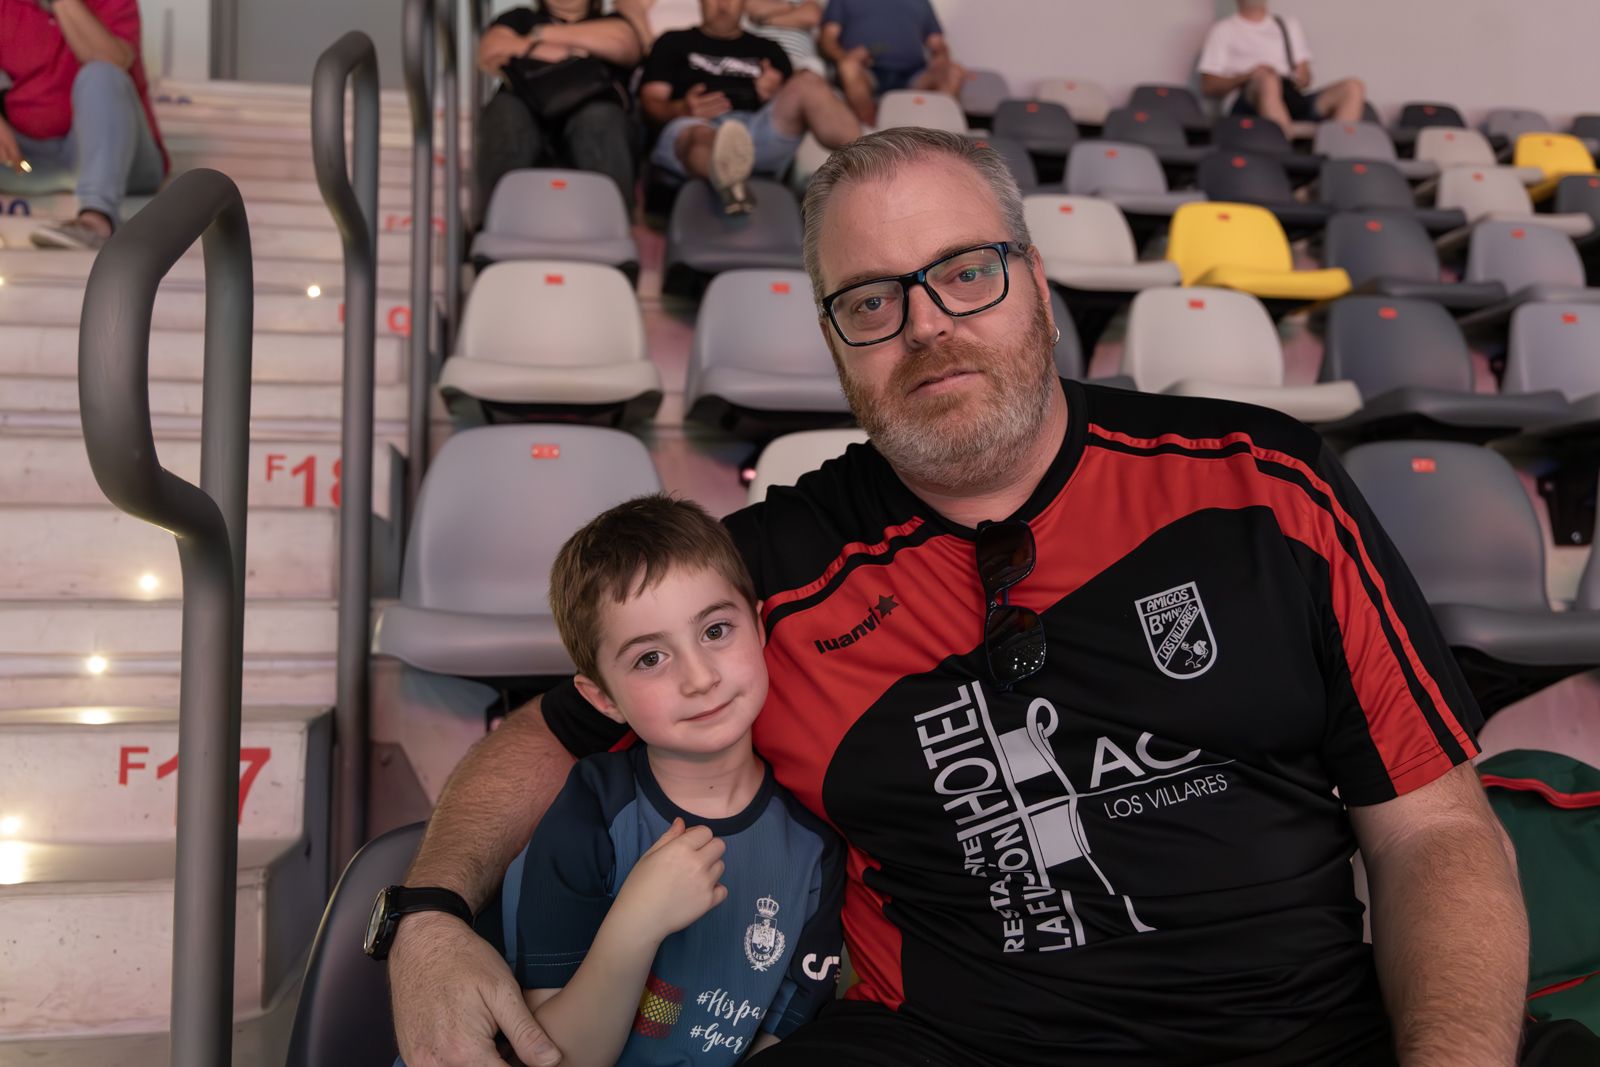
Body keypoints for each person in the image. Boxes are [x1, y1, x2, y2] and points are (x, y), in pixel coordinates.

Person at [384, 127, 1593, 1067]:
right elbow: (543, 733)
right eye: (871, 301)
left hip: (1302, 1035)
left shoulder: (1257, 481)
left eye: (965, 273)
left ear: (1035, 280)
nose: (927, 329)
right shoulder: (760, 578)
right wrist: (431, 912)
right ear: (834, 339)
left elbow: (1434, 830)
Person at [400, 494, 845, 1067]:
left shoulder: (815, 846)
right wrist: (637, 923)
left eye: (715, 631)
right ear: (602, 698)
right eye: (650, 659)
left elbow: (778, 1037)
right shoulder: (590, 812)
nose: (700, 677)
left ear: (759, 628)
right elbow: (557, 1057)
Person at [638, 0, 859, 215]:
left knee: (809, 82)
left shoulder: (769, 49)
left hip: (756, 130)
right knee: (699, 136)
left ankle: (867, 158)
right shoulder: (672, 42)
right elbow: (651, 101)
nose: (723, 4)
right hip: (694, 126)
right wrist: (681, 109)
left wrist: (777, 91)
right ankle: (732, 186)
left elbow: (790, 102)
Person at [0, 0, 168, 250]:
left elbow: (113, 60)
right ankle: (79, 180)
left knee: (101, 73)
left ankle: (96, 219)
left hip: (119, 156)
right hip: (27, 163)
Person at [474, 0, 646, 210]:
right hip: (527, 114)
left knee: (600, 119)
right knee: (505, 113)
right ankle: (498, 219)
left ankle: (610, 221)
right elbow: (490, 50)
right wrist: (577, 51)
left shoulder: (612, 21)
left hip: (595, 116)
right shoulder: (520, 17)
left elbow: (626, 47)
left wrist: (537, 38)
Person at [1198, 0, 1366, 135]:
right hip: (1249, 99)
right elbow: (1208, 85)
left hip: (1288, 95)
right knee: (1267, 80)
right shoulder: (1224, 30)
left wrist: (1302, 74)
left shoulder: (1286, 25)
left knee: (1353, 87)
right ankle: (1286, 148)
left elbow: (1305, 78)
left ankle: (1335, 155)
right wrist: (1249, 75)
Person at [817, 0, 963, 127]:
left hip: (913, 74)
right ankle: (871, 135)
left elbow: (937, 43)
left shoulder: (921, 2)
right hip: (867, 72)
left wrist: (941, 57)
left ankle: (933, 136)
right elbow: (827, 40)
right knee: (848, 67)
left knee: (953, 72)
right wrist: (847, 57)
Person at [742, 0, 826, 79]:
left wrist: (766, 20)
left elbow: (811, 16)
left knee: (813, 69)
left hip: (798, 60)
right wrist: (791, 7)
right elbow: (756, 11)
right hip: (764, 59)